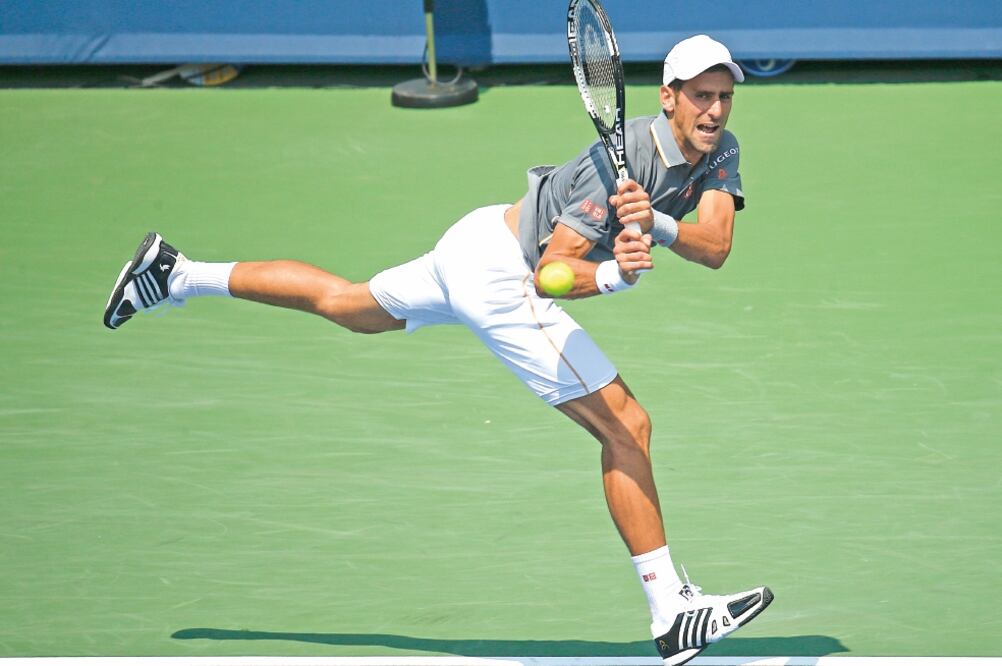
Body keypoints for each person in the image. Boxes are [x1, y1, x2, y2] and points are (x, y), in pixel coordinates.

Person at [103, 35, 771, 666]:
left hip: (474, 237)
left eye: (724, 96)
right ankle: (670, 613)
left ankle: (178, 273)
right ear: (668, 96)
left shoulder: (721, 151)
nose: (714, 110)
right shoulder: (617, 160)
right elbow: (550, 275)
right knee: (627, 426)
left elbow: (714, 246)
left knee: (350, 306)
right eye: (700, 96)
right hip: (500, 273)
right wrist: (618, 274)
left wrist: (651, 222)